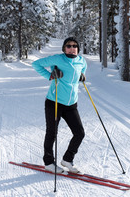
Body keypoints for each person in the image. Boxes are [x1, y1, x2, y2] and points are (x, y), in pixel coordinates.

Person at [32, 37, 87, 173]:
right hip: (54, 102)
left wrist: (82, 75)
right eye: (68, 46)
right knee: (52, 133)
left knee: (79, 133)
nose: (72, 48)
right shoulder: (58, 59)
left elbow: (83, 69)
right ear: (64, 48)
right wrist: (50, 75)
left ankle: (67, 160)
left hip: (71, 104)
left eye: (75, 46)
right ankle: (49, 163)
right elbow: (36, 64)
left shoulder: (81, 61)